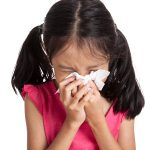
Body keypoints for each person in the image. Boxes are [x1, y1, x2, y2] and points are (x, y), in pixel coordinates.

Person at [11, 0, 145, 149]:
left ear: (110, 57)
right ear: (50, 58)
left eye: (93, 70)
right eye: (69, 71)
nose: (82, 81)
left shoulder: (122, 100)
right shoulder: (38, 99)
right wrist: (72, 123)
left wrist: (97, 122)